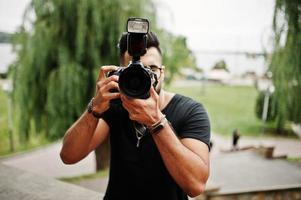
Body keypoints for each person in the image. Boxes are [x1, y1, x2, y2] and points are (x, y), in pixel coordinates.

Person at [60, 31, 211, 200]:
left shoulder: (190, 111)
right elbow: (68, 156)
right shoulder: (115, 106)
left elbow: (196, 185)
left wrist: (156, 121)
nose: (144, 76)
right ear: (121, 73)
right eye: (135, 69)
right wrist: (94, 108)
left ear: (162, 72)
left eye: (151, 69)